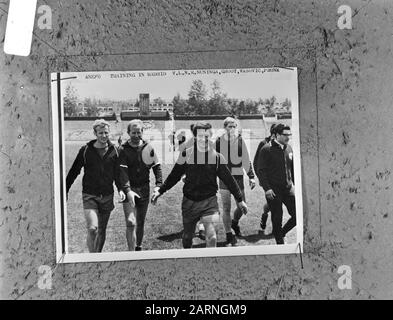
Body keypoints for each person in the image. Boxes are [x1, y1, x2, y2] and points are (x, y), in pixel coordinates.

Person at [151, 121, 248, 249]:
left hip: (209, 202)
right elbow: (174, 176)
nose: (204, 139)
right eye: (201, 136)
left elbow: (229, 180)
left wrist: (240, 200)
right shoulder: (186, 154)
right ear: (195, 137)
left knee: (211, 236)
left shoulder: (217, 157)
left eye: (207, 136)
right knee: (187, 238)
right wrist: (160, 191)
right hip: (189, 203)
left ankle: (209, 267)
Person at [66, 119, 121, 253]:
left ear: (109, 133)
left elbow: (118, 175)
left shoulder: (115, 150)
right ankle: (91, 258)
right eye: (100, 133)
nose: (103, 136)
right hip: (90, 195)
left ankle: (98, 256)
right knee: (93, 228)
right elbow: (74, 171)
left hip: (107, 196)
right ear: (95, 133)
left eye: (106, 133)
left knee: (102, 229)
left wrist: (121, 190)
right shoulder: (85, 150)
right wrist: (65, 190)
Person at [118, 119, 163, 251]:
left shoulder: (149, 148)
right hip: (129, 190)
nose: (136, 135)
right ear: (128, 133)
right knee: (131, 222)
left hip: (144, 189)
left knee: (140, 222)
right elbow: (123, 173)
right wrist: (127, 190)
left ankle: (138, 247)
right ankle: (131, 252)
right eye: (133, 132)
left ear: (142, 132)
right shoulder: (123, 149)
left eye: (139, 132)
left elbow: (157, 167)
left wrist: (158, 185)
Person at [215, 117, 256, 245]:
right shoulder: (219, 141)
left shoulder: (240, 140)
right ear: (225, 127)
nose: (232, 129)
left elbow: (246, 158)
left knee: (242, 206)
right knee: (226, 208)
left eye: (234, 126)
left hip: (238, 179)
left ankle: (234, 222)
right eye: (229, 126)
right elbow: (212, 160)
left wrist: (251, 176)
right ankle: (228, 234)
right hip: (224, 180)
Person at [257, 123, 296, 244]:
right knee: (277, 218)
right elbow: (261, 171)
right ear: (277, 135)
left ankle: (281, 233)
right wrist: (267, 189)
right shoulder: (266, 149)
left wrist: (296, 185)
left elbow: (293, 169)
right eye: (285, 135)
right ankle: (280, 243)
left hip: (288, 189)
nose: (288, 137)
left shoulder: (289, 148)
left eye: (289, 134)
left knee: (297, 216)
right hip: (273, 191)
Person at [253, 123, 276, 232]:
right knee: (274, 202)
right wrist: (261, 179)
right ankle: (276, 230)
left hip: (278, 179)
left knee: (274, 202)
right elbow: (256, 163)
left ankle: (265, 215)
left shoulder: (282, 144)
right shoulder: (263, 143)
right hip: (267, 180)